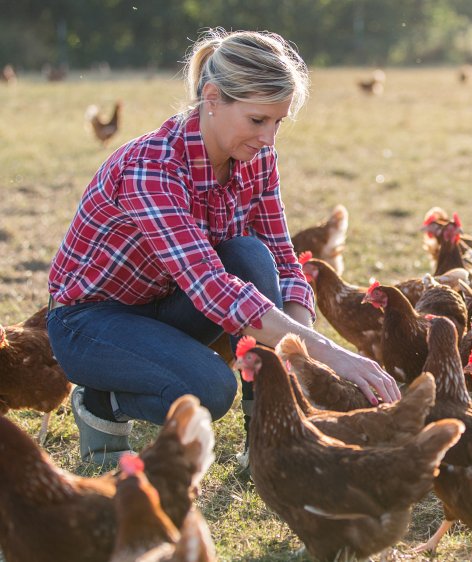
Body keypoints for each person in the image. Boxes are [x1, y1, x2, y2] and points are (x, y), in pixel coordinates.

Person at [47, 29, 400, 466]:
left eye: (278, 122)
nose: (269, 138)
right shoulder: (151, 168)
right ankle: (101, 403)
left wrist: (300, 355)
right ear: (212, 98)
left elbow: (284, 264)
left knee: (250, 254)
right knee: (209, 389)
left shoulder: (256, 159)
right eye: (257, 120)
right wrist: (330, 354)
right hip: (91, 321)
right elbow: (211, 286)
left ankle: (269, 437)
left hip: (168, 303)